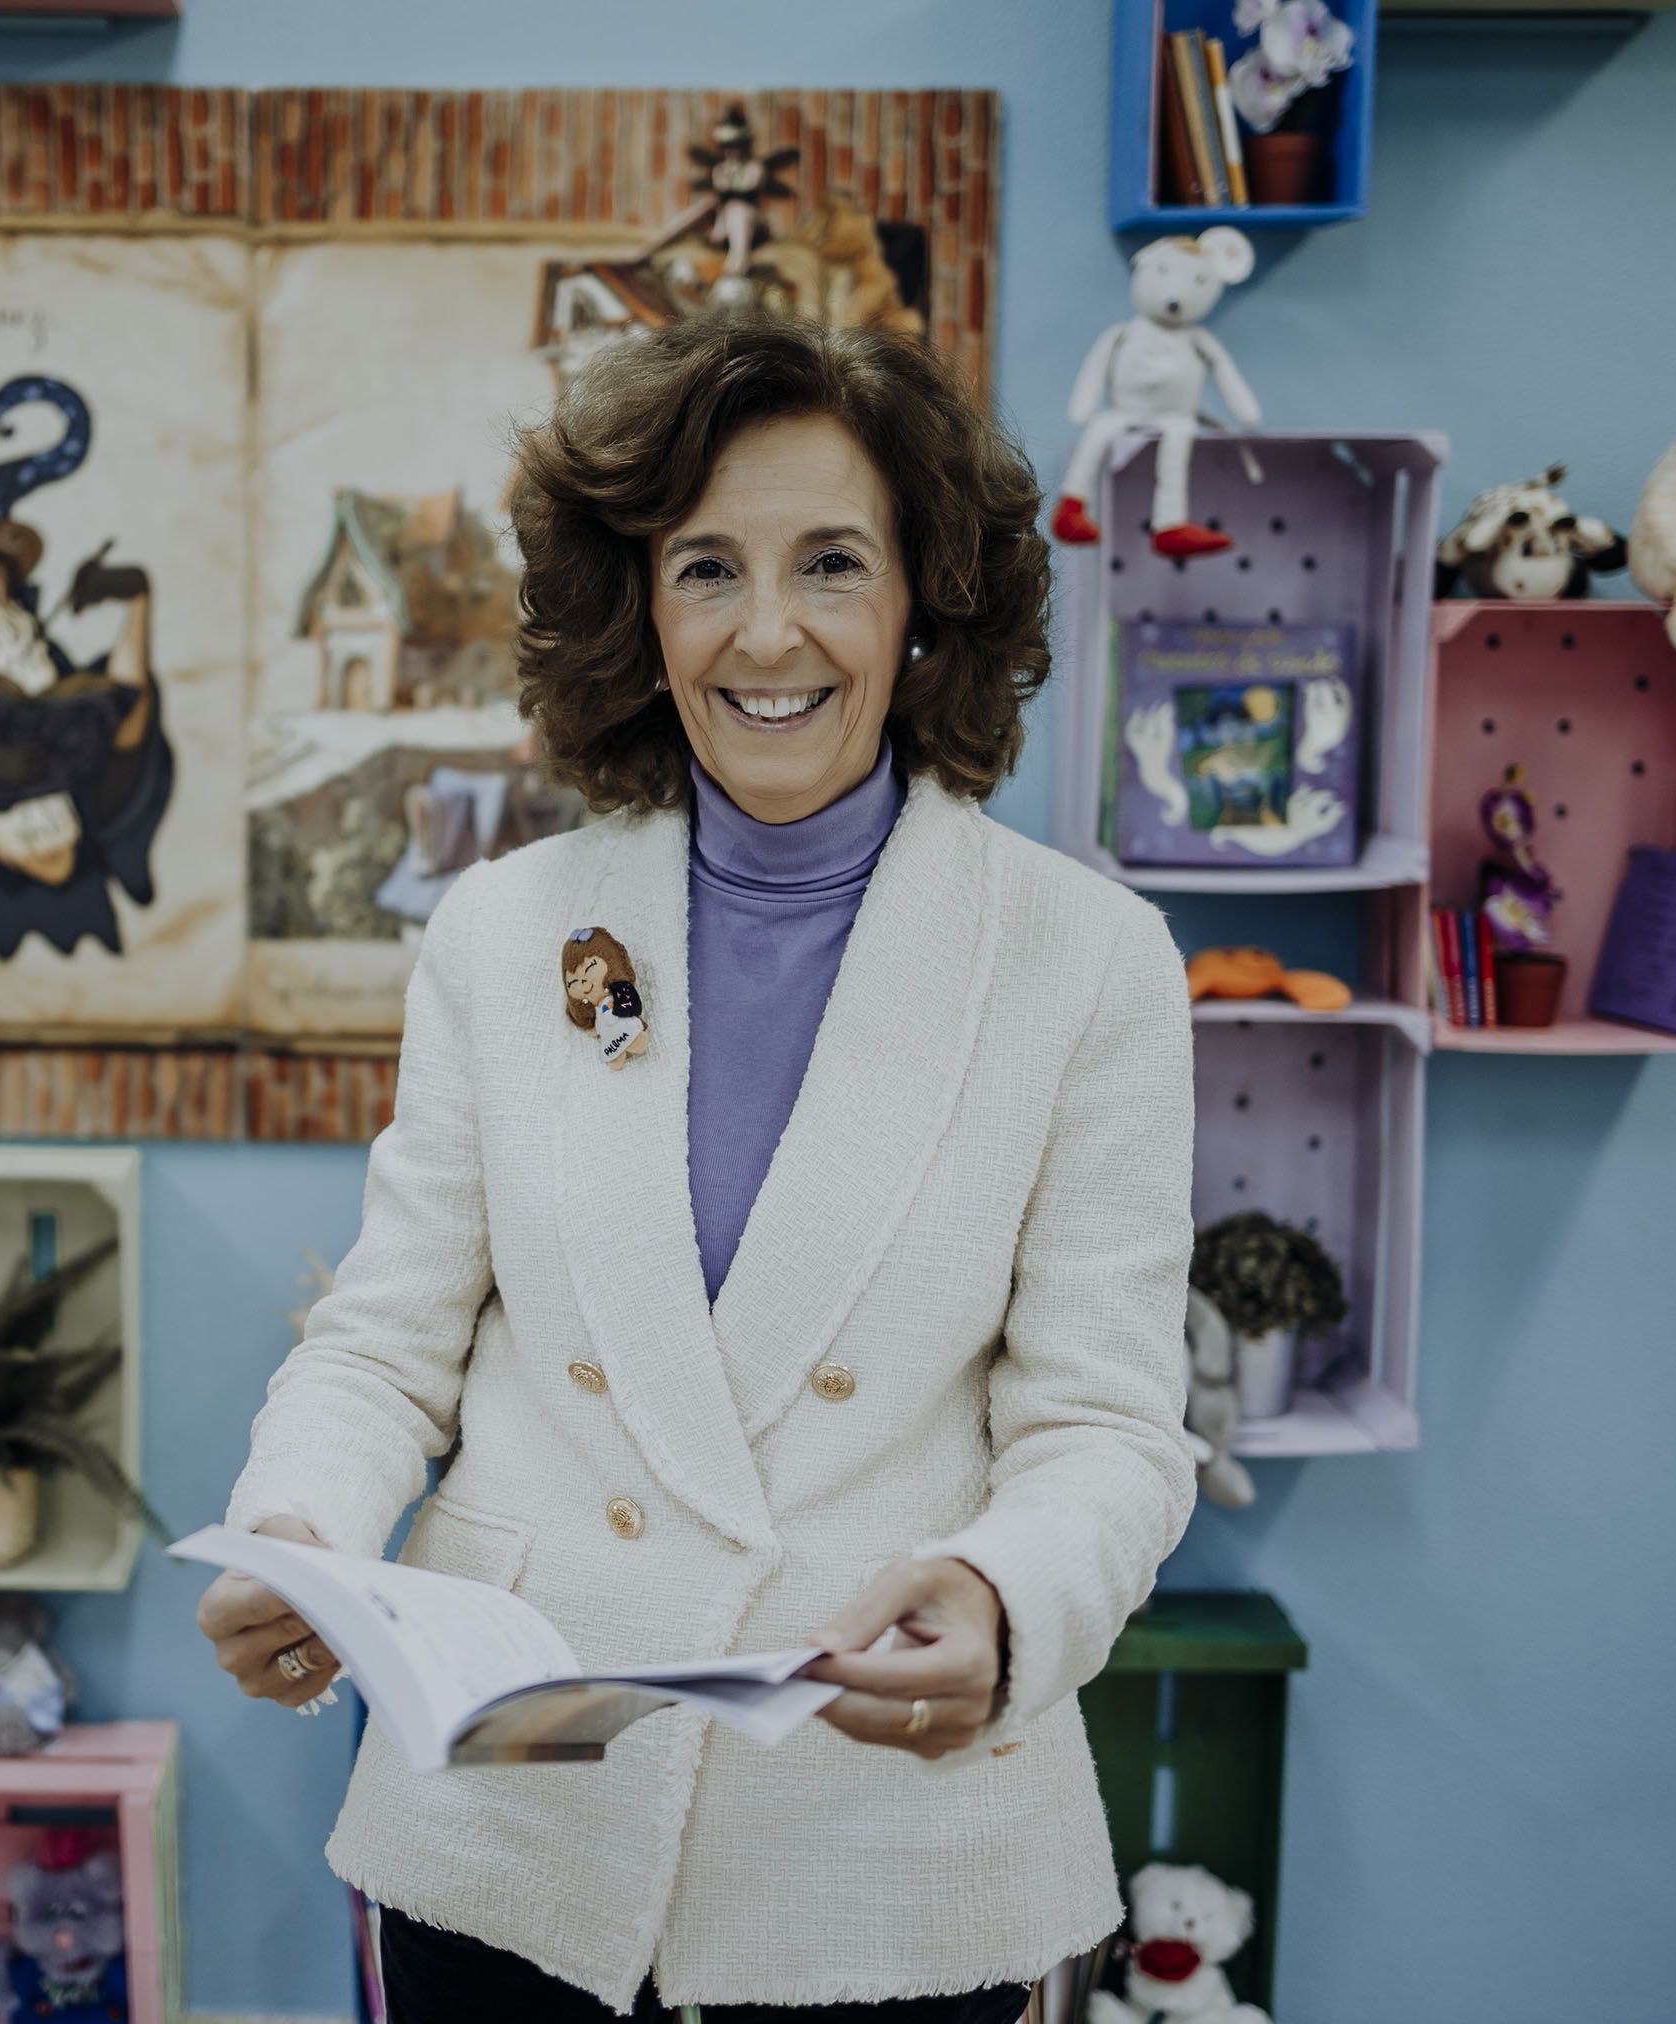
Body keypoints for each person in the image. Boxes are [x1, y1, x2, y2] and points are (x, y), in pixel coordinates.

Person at [198, 310, 1199, 2022]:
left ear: (926, 599)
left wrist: (1001, 1597)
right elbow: (385, 1342)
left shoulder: (1088, 962)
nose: (768, 631)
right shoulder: (503, 931)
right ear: (638, 611)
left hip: (879, 1841)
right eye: (707, 568)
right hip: (514, 1815)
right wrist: (300, 1533)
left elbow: (1105, 1426)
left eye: (832, 563)